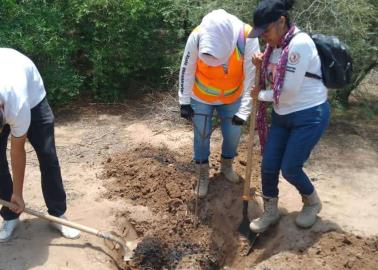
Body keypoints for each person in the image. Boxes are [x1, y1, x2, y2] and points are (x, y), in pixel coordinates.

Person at [248, 0, 330, 233]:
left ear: (281, 21)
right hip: (283, 115)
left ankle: (312, 202)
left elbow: (289, 92)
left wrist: (259, 94)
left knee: (291, 168)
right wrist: (260, 61)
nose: (264, 37)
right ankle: (271, 211)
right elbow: (275, 78)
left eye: (266, 30)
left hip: (309, 115)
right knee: (269, 165)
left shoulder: (299, 44)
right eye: (260, 33)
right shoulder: (274, 47)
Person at [0, 48, 80, 241]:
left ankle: (57, 214)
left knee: (47, 155)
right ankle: (11, 214)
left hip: (33, 98)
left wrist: (18, 193)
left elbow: (18, 151)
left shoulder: (17, 104)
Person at [178, 9, 260, 198]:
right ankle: (202, 174)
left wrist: (244, 110)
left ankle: (226, 166)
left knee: (233, 135)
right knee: (201, 137)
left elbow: (251, 78)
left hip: (233, 97)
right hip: (201, 96)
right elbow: (186, 68)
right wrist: (184, 101)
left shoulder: (247, 37)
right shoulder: (197, 36)